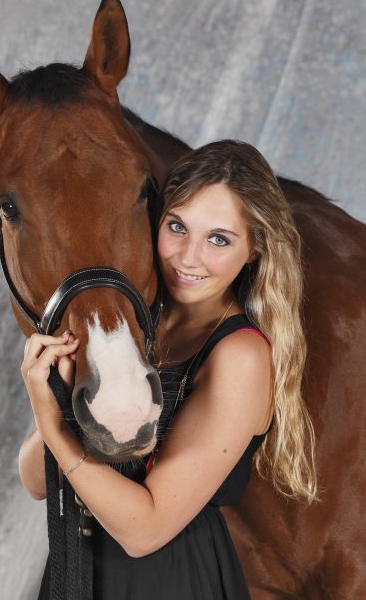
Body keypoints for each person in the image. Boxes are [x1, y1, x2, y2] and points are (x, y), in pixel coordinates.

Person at [19, 140, 318, 599]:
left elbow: (146, 531)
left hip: (171, 581)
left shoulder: (240, 356)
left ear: (254, 249)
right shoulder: (129, 329)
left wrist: (51, 421)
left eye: (218, 239)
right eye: (178, 227)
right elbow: (36, 481)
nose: (188, 257)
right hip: (78, 571)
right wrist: (50, 396)